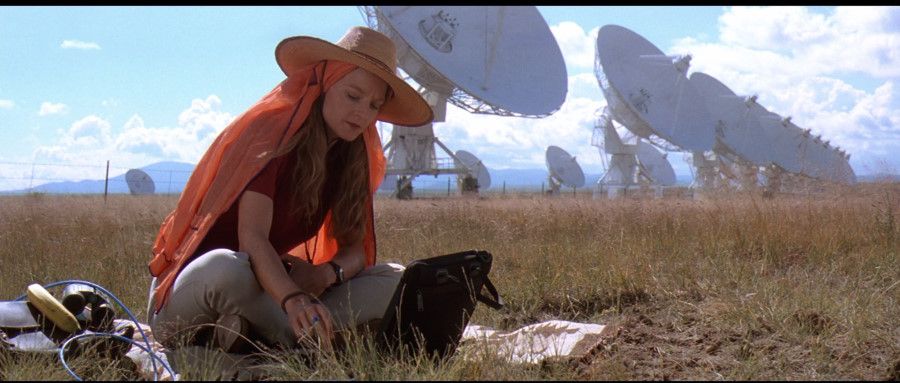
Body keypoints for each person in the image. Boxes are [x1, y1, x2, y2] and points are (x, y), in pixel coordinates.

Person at [145, 26, 433, 353]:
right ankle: (309, 340)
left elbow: (354, 250)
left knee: (396, 280)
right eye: (353, 96)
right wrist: (295, 298)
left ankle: (250, 336)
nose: (362, 113)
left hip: (269, 291)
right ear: (325, 84)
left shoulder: (351, 157)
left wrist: (326, 274)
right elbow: (251, 239)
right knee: (229, 268)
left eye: (373, 105)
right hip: (197, 290)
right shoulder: (271, 138)